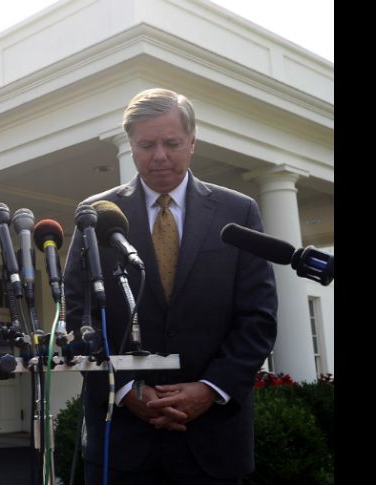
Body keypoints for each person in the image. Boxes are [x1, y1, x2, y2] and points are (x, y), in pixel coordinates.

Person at [63, 88, 277, 484]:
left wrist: (209, 389)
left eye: (172, 143)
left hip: (213, 439)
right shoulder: (94, 216)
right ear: (130, 145)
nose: (159, 155)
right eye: (146, 145)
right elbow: (78, 315)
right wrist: (126, 390)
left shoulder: (239, 211)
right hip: (120, 439)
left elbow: (258, 317)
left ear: (193, 142)